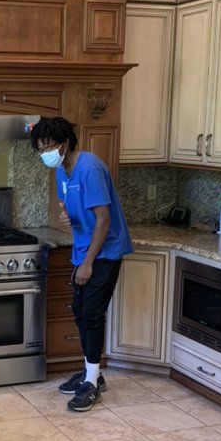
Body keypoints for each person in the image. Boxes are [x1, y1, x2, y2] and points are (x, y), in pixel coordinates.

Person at [31, 116, 133, 412]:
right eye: (39, 148)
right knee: (80, 311)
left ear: (64, 143)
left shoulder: (90, 168)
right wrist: (68, 219)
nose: (44, 153)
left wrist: (88, 263)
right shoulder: (63, 171)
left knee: (91, 314)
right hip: (84, 250)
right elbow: (77, 213)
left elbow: (104, 220)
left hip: (104, 252)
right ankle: (92, 372)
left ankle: (92, 383)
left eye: (48, 146)